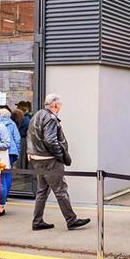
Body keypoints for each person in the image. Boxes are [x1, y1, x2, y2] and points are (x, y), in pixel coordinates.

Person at [27, 93, 90, 231]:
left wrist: (30, 153)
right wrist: (60, 155)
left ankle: (37, 221)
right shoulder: (50, 118)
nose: (60, 107)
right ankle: (71, 220)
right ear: (55, 104)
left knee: (42, 191)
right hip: (49, 160)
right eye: (60, 104)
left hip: (37, 158)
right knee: (61, 190)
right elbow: (51, 140)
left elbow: (30, 136)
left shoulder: (37, 115)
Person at [0, 108, 22, 214]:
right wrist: (17, 151)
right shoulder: (12, 124)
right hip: (11, 152)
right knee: (7, 174)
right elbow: (17, 138)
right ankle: (5, 195)